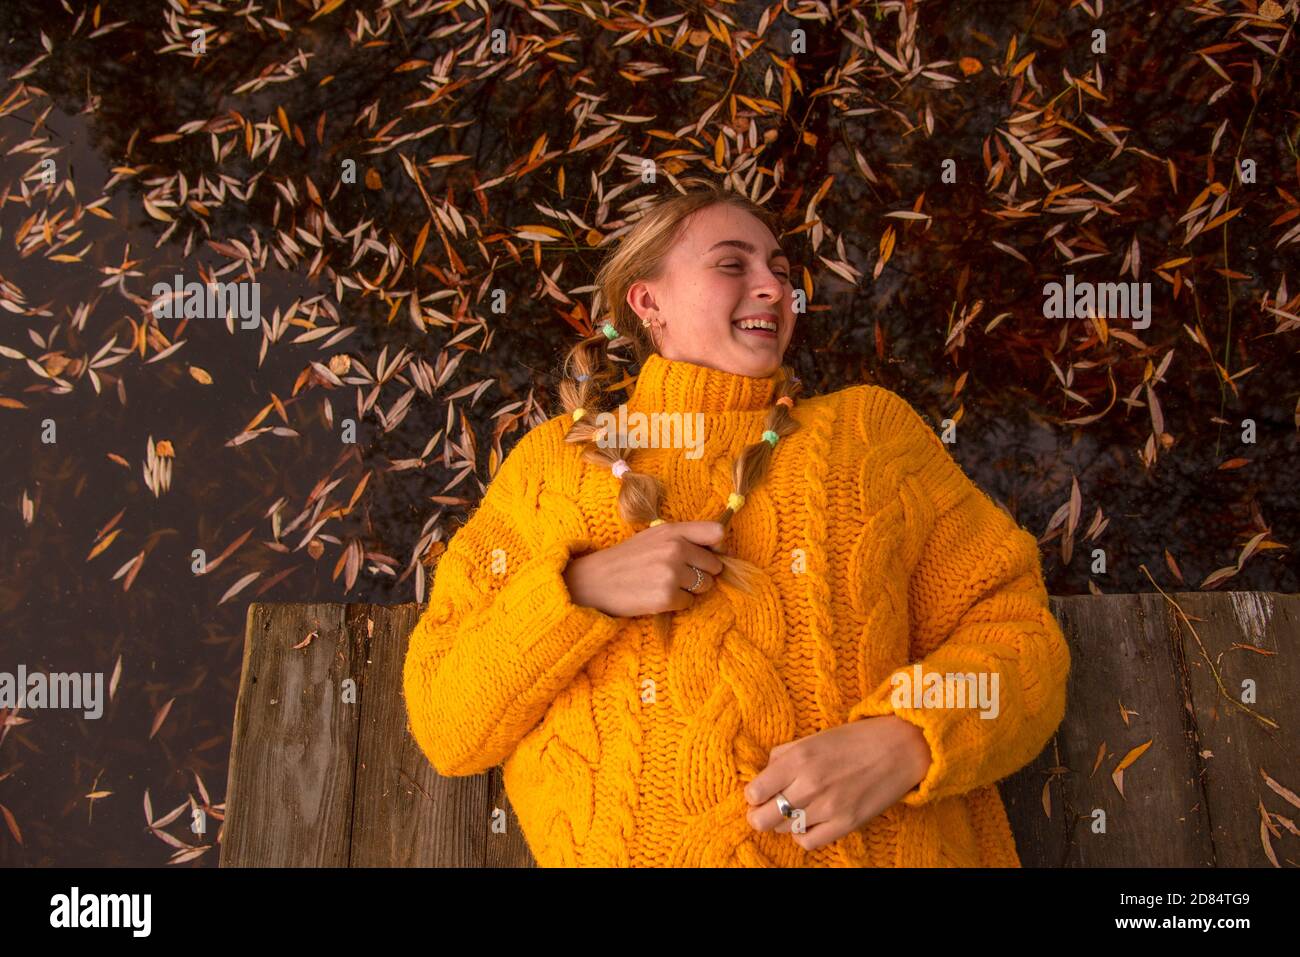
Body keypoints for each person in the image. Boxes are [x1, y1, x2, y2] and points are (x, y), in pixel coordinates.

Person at [402, 177, 1070, 867]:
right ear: (647, 300)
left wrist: (909, 738)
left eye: (781, 272)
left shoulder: (869, 432)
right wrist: (578, 590)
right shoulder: (557, 464)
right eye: (733, 264)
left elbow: (1020, 635)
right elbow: (447, 723)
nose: (775, 289)